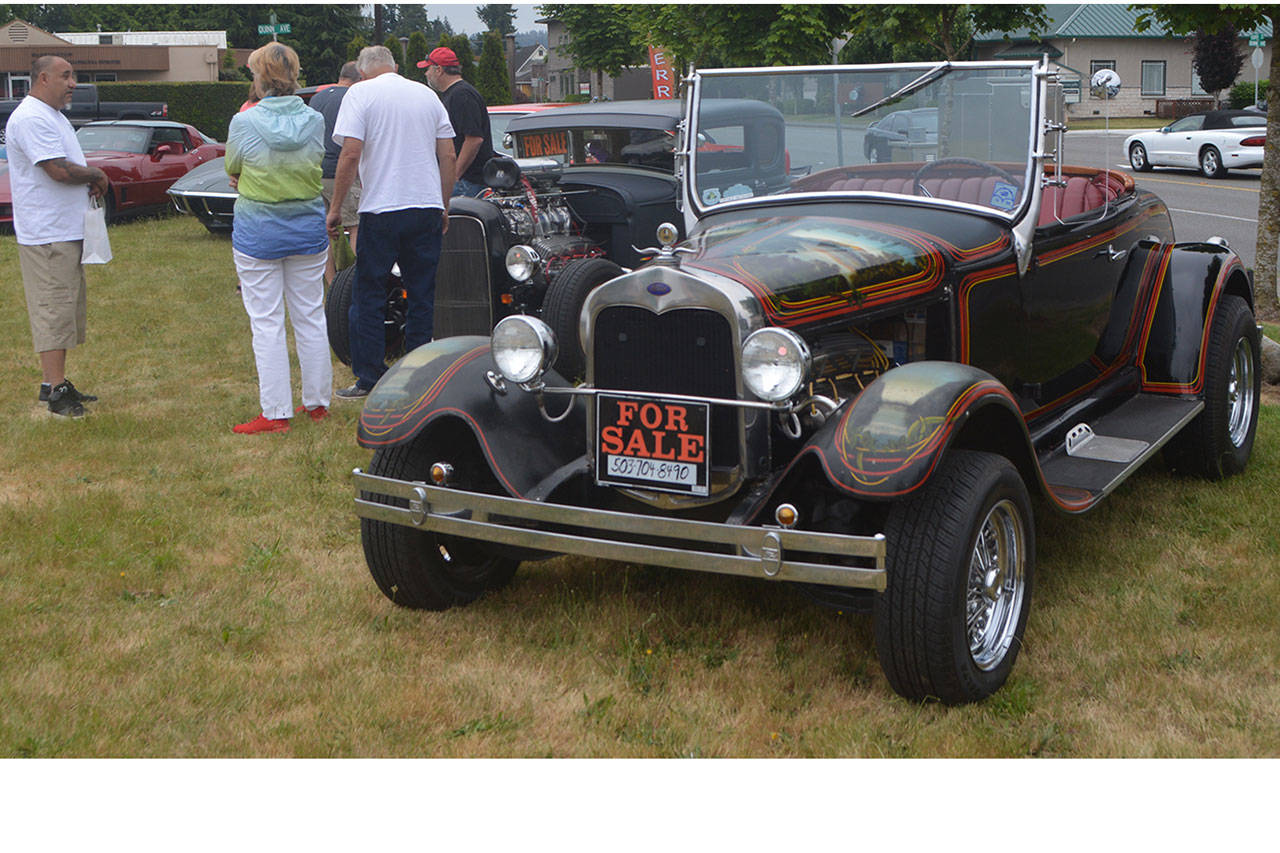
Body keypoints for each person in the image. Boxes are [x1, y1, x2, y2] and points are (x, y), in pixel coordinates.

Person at [327, 45, 456, 399]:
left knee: (369, 292)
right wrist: (443, 204)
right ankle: (418, 373)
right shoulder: (427, 95)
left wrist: (336, 207)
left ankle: (370, 375)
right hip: (426, 205)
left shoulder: (360, 93)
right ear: (396, 67)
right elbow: (447, 154)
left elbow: (351, 153)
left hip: (382, 207)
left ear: (363, 71)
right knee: (422, 293)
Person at [225, 42, 332, 435]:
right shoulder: (313, 119)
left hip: (259, 231)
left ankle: (275, 412)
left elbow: (232, 167)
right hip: (306, 226)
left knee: (266, 321)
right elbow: (316, 162)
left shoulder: (245, 122)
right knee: (310, 315)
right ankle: (318, 404)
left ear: (260, 76)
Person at [5, 55, 108, 418]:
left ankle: (54, 383)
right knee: (53, 309)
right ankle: (56, 393)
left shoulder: (53, 116)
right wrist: (96, 174)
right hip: (46, 233)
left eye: (74, 76)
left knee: (65, 309)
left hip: (63, 229)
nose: (73, 83)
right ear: (43, 78)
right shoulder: (32, 117)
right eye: (66, 76)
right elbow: (57, 170)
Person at [307, 62, 362, 285]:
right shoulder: (354, 98)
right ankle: (354, 281)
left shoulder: (318, 98)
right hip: (342, 171)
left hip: (317, 171)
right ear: (359, 79)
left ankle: (331, 283)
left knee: (325, 230)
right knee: (356, 225)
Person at [420, 46, 494, 198]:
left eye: (428, 69)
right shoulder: (453, 95)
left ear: (438, 69)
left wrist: (454, 175)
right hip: (464, 182)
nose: (426, 73)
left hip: (468, 183)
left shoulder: (461, 95)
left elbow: (474, 139)